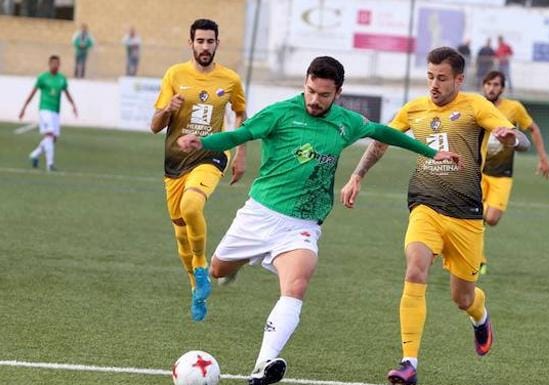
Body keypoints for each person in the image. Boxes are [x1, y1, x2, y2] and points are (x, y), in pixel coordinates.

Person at [176, 56, 461, 385]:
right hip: (259, 214)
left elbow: (384, 132)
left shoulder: (346, 122)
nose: (314, 100)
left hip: (302, 225)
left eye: (323, 95)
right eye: (310, 91)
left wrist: (431, 152)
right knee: (218, 269)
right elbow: (239, 136)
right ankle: (235, 267)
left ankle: (263, 365)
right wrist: (204, 142)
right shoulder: (280, 112)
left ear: (338, 93)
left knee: (296, 286)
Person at [340, 47, 524, 385]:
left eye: (441, 78)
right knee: (415, 267)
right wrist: (357, 175)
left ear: (458, 79)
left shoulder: (475, 106)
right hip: (425, 205)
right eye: (430, 77)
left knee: (462, 297)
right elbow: (382, 140)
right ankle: (409, 362)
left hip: (466, 216)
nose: (434, 85)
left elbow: (511, 133)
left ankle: (480, 315)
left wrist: (509, 136)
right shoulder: (414, 109)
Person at [151, 18, 247, 322]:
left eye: (210, 41)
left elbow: (241, 113)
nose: (205, 47)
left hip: (212, 154)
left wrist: (241, 152)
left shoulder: (230, 79)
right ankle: (196, 287)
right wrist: (169, 109)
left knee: (192, 205)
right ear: (191, 43)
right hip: (176, 162)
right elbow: (155, 126)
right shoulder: (174, 75)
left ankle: (202, 267)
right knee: (181, 235)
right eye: (200, 41)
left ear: (218, 43)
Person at [479, 70, 549, 273]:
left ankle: (471, 212)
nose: (492, 88)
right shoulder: (477, 105)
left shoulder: (514, 108)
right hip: (479, 171)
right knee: (476, 218)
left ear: (502, 88)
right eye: (489, 84)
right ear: (484, 85)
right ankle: (479, 260)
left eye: (496, 85)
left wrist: (543, 157)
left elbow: (533, 128)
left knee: (491, 219)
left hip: (502, 174)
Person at [18, 55, 78, 171]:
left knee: (53, 138)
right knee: (49, 135)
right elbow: (33, 93)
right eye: (54, 63)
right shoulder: (43, 78)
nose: (56, 66)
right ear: (49, 64)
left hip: (55, 111)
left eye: (58, 64)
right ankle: (50, 164)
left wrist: (73, 105)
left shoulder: (62, 79)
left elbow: (67, 93)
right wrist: (24, 107)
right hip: (45, 110)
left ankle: (34, 155)